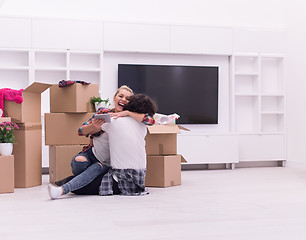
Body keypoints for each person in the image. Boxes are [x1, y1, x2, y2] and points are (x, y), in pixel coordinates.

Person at [48, 94, 157, 199]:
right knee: (89, 166)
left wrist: (93, 130)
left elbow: (83, 130)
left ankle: (62, 188)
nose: (123, 100)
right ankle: (64, 185)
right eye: (121, 96)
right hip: (139, 180)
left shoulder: (114, 120)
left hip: (120, 179)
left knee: (80, 187)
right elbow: (151, 120)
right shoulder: (143, 126)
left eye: (127, 98)